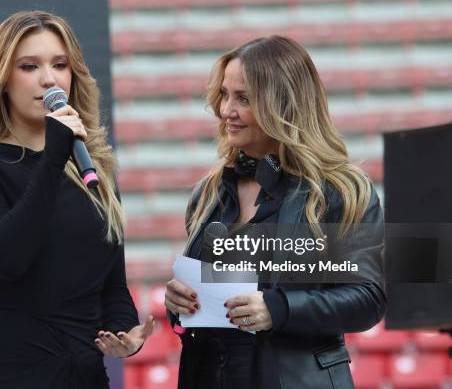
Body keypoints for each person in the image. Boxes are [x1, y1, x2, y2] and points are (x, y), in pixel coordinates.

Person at [0, 10, 154, 388]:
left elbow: (112, 287)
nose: (49, 79)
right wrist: (54, 157)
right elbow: (9, 256)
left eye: (60, 65)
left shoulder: (94, 170)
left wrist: (124, 335)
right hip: (8, 372)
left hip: (85, 375)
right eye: (29, 66)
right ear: (3, 79)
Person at [164, 36, 386, 388]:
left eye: (243, 99)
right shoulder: (208, 193)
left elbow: (368, 299)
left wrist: (278, 308)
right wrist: (178, 305)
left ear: (283, 105)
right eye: (224, 94)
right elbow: (202, 307)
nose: (226, 111)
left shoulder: (340, 191)